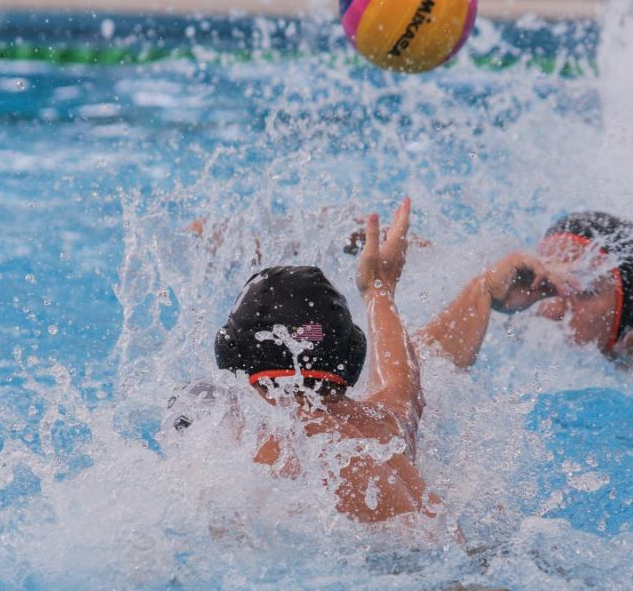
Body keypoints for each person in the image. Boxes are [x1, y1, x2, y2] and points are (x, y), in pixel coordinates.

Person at [166, 199, 440, 523]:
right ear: (350, 353)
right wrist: (379, 288)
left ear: (235, 357)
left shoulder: (282, 449)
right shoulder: (387, 424)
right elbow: (400, 380)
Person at [416, 211, 633, 370]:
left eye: (584, 291)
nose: (553, 309)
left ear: (628, 311)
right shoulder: (502, 338)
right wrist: (484, 294)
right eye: (545, 285)